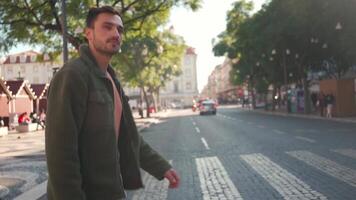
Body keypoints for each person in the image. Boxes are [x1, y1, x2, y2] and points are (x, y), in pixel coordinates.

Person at [45, 6, 179, 200]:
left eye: (119, 29)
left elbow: (129, 137)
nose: (115, 33)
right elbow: (60, 155)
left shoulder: (112, 80)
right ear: (88, 34)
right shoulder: (72, 75)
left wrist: (161, 167)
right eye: (107, 27)